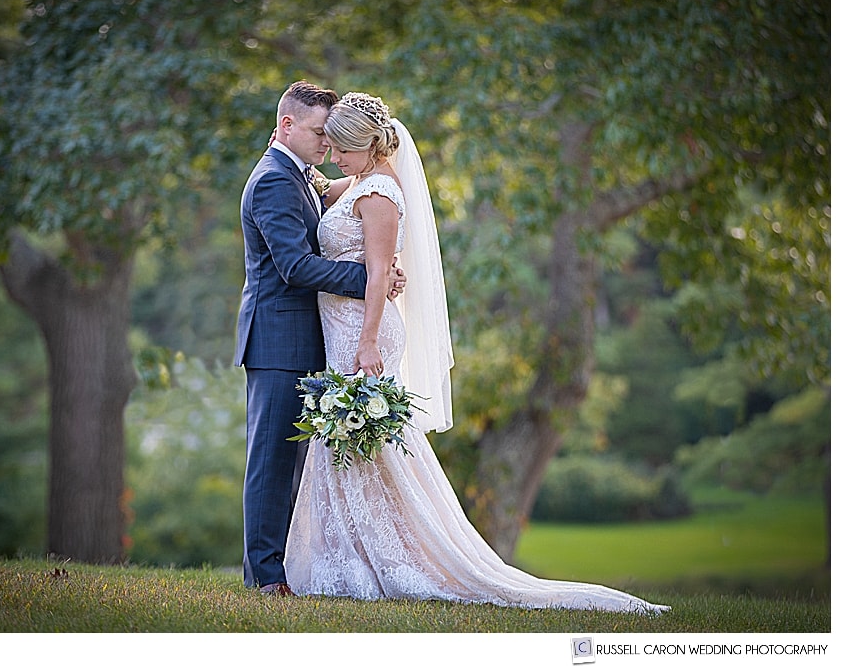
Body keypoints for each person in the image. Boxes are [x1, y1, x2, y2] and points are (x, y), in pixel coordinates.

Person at [284, 91, 670, 614]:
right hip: (342, 327)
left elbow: (378, 273)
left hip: (362, 332)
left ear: (368, 148)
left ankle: (391, 559)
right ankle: (352, 556)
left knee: (368, 443)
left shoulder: (377, 194)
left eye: (342, 150)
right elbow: (320, 190)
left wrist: (369, 339)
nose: (333, 156)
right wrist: (289, 151)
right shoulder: (354, 183)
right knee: (353, 447)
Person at [234, 81, 404, 597]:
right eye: (317, 133)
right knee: (270, 460)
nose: (326, 145)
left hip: (312, 336)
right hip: (278, 339)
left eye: (332, 136)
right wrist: (370, 281)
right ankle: (265, 577)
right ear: (286, 125)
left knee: (302, 464)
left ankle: (292, 565)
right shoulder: (272, 181)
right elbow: (292, 265)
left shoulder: (303, 175)